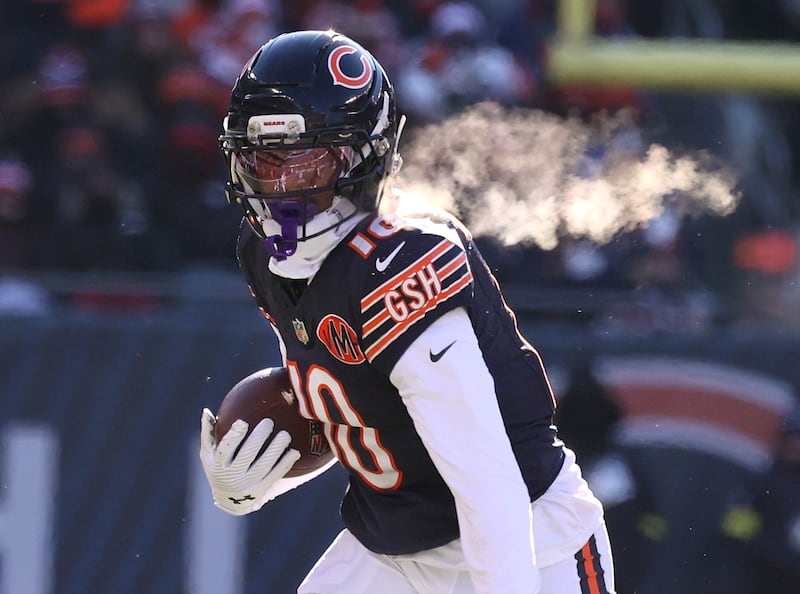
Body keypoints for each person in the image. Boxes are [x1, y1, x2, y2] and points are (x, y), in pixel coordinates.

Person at [199, 29, 615, 594]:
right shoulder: (263, 253)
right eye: (265, 161)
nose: (282, 187)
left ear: (367, 154)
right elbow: (351, 409)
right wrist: (258, 479)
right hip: (394, 549)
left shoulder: (402, 265)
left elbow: (487, 481)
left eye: (307, 161)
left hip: (528, 542)